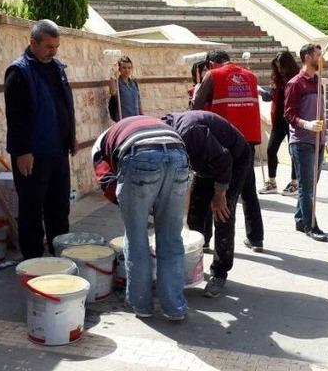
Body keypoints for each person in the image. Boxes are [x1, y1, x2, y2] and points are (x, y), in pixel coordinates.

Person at [93, 116, 189, 320]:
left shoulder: (99, 146)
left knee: (136, 239)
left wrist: (133, 205)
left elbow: (107, 182)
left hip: (139, 156)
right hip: (178, 153)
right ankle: (174, 307)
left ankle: (142, 305)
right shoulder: (139, 124)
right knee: (171, 239)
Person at [4, 19, 77, 259]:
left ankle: (60, 255)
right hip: (32, 155)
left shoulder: (56, 67)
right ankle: (34, 261)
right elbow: (16, 117)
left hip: (57, 152)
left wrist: (71, 137)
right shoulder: (19, 72)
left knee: (59, 207)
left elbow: (64, 104)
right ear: (32, 42)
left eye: (56, 47)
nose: (53, 51)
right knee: (32, 209)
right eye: (48, 47)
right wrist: (22, 151)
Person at [161, 110, 251, 298]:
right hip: (206, 162)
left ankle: (219, 272)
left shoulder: (190, 133)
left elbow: (223, 159)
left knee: (222, 213)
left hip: (233, 159)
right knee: (195, 211)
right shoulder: (163, 134)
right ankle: (195, 258)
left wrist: (219, 194)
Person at [192, 50, 264, 253]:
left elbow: (197, 108)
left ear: (212, 63)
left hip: (220, 141)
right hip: (247, 142)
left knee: (208, 188)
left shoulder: (213, 75)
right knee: (248, 189)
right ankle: (256, 238)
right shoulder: (250, 76)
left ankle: (204, 239)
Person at [284, 44, 328, 241]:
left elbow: (322, 110)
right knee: (307, 186)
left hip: (317, 141)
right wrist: (307, 124)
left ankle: (300, 220)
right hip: (301, 141)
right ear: (307, 56)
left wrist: (325, 136)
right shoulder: (295, 83)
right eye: (318, 55)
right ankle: (312, 226)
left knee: (311, 184)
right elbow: (288, 114)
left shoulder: (318, 82)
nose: (321, 59)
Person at [258, 51, 300, 197]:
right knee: (270, 150)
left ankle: (294, 183)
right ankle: (272, 182)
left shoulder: (297, 79)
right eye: (276, 67)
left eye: (281, 66)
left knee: (293, 152)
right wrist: (261, 92)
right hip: (278, 120)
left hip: (292, 120)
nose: (279, 69)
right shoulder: (277, 78)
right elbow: (271, 96)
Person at [108, 56, 142, 121]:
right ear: (119, 69)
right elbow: (112, 92)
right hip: (123, 119)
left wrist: (142, 115)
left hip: (136, 118)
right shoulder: (117, 82)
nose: (127, 70)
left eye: (129, 68)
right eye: (124, 68)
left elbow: (138, 100)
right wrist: (113, 74)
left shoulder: (133, 82)